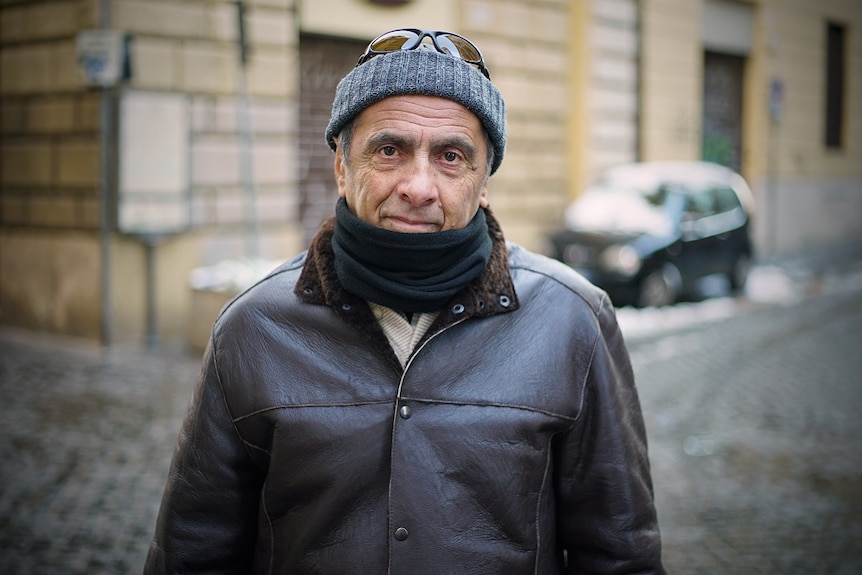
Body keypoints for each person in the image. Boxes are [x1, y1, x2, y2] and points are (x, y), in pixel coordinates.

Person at [144, 28, 664, 574]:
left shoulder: (570, 320)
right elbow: (193, 552)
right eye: (389, 150)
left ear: (483, 180)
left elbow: (619, 552)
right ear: (342, 167)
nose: (419, 186)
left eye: (451, 156)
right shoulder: (254, 327)